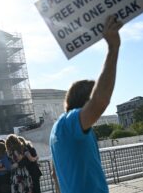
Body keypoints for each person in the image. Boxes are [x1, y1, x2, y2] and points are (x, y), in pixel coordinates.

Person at [50, 15, 123, 193]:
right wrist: (113, 48)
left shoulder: (59, 129)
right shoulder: (70, 122)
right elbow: (101, 100)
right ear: (86, 101)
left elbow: (54, 173)